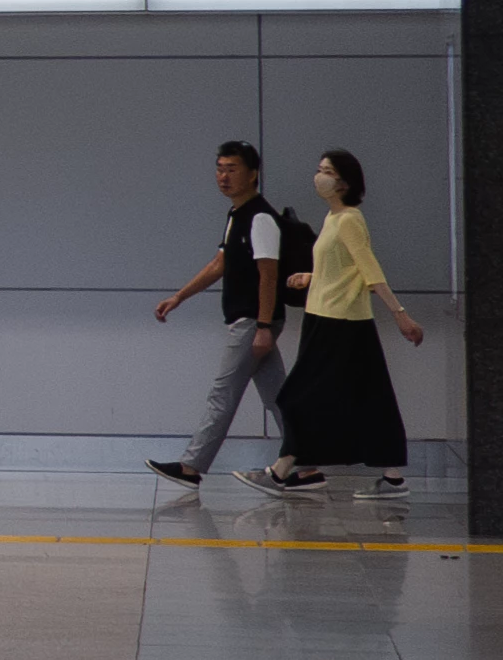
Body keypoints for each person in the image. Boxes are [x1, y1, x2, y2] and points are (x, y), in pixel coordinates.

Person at [253, 149, 426, 495]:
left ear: (345, 182)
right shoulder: (333, 219)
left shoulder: (349, 219)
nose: (320, 176)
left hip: (340, 322)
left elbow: (369, 269)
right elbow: (342, 266)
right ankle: (391, 476)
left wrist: (400, 315)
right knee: (368, 396)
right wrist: (310, 276)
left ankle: (282, 469)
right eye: (319, 169)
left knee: (296, 395)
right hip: (325, 316)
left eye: (327, 171)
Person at [146, 139, 309, 488]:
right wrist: (179, 297)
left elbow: (269, 273)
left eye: (232, 169)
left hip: (253, 320)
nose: (223, 176)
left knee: (223, 394)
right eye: (220, 169)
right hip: (252, 320)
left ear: (252, 175)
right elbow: (219, 263)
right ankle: (309, 465)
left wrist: (264, 326)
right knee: (279, 398)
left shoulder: (260, 217)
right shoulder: (237, 214)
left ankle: (191, 467)